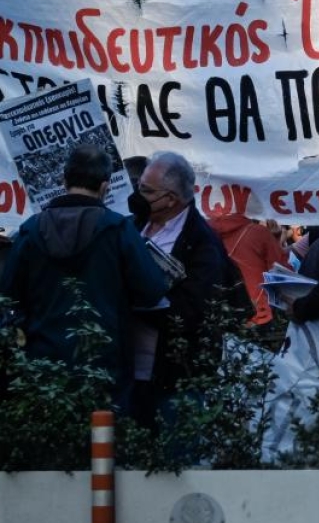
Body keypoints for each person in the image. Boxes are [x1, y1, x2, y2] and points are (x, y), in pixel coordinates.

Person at [0, 146, 168, 405]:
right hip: (106, 369)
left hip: (44, 368)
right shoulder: (118, 229)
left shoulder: (30, 230)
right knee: (102, 442)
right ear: (104, 187)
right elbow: (152, 291)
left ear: (64, 181)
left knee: (53, 443)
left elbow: (8, 295)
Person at [131, 152, 230, 422]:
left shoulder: (201, 242)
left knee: (177, 461)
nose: (138, 196)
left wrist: (137, 304)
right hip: (128, 375)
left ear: (171, 198)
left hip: (176, 380)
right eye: (139, 187)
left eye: (146, 191)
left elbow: (194, 310)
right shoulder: (132, 227)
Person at [208, 213, 287, 326]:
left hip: (214, 315)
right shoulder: (259, 233)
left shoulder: (200, 232)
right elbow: (282, 275)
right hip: (258, 315)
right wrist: (274, 241)